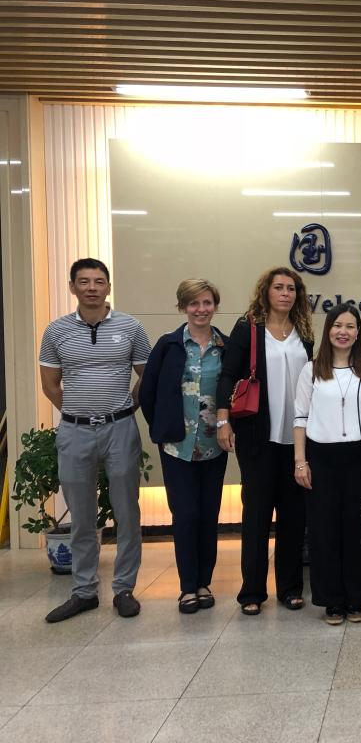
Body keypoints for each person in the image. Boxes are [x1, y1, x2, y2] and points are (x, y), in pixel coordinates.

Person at [40, 258, 152, 623]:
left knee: (127, 512)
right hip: (74, 432)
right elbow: (50, 384)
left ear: (108, 286)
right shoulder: (56, 331)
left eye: (99, 281)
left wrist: (127, 407)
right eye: (84, 281)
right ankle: (84, 591)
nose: (92, 287)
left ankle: (124, 589)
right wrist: (77, 413)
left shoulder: (131, 327)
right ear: (72, 287)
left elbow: (147, 375)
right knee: (82, 516)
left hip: (120, 429)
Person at [216, 267, 314, 615]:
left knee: (293, 517)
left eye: (291, 288)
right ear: (266, 292)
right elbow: (228, 374)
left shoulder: (304, 332)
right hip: (258, 437)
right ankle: (252, 592)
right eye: (279, 287)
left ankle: (289, 588)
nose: (285, 293)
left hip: (297, 440)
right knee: (257, 515)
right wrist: (223, 420)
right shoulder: (249, 328)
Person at [140, 278, 229, 614]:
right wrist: (162, 427)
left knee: (208, 515)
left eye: (207, 303)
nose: (201, 309)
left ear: (215, 306)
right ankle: (187, 587)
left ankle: (204, 582)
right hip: (177, 446)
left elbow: (234, 392)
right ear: (182, 307)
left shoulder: (226, 347)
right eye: (194, 303)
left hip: (214, 445)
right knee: (185, 515)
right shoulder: (168, 345)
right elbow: (148, 392)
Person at [293, 304, 361, 625]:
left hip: (359, 458)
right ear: (328, 330)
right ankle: (331, 600)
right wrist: (300, 461)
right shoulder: (311, 370)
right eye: (337, 325)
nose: (343, 332)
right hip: (321, 459)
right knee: (324, 531)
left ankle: (356, 598)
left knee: (357, 530)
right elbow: (300, 417)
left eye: (350, 326)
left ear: (358, 332)